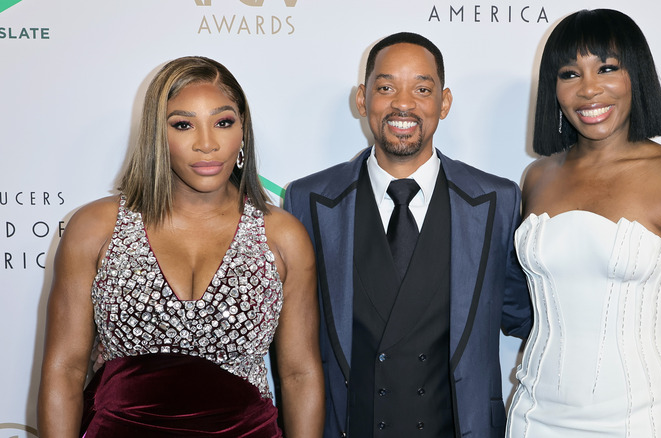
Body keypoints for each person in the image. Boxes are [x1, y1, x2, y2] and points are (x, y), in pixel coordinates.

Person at [38, 56, 324, 437]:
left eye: (223, 122)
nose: (206, 144)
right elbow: (65, 370)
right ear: (158, 135)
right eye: (183, 124)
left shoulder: (282, 236)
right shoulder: (95, 229)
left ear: (243, 133)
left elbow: (300, 374)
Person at [283, 32, 533, 437]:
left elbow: (530, 314)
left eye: (421, 88)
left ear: (444, 102)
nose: (403, 103)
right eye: (386, 88)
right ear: (362, 99)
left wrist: (656, 319)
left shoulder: (497, 200)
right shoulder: (309, 199)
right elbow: (288, 331)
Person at [505, 9, 661, 438]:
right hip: (535, 416)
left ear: (636, 76)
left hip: (642, 419)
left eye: (607, 68)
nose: (589, 89)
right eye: (570, 74)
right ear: (553, 88)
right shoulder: (538, 177)